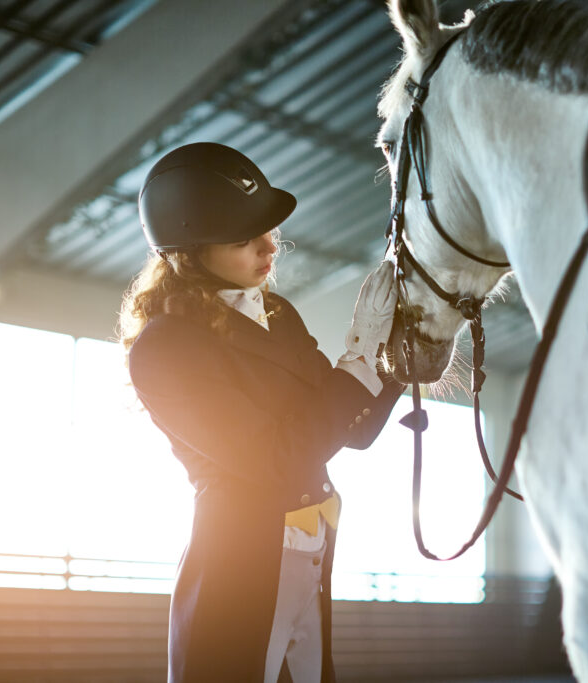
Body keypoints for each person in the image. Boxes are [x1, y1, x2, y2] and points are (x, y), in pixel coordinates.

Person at [119, 142, 404, 682]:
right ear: (189, 250)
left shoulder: (277, 313)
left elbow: (354, 429)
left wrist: (398, 351)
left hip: (312, 551)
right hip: (239, 564)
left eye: (266, 230)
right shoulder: (164, 348)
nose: (269, 245)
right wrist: (358, 360)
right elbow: (278, 456)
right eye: (243, 238)